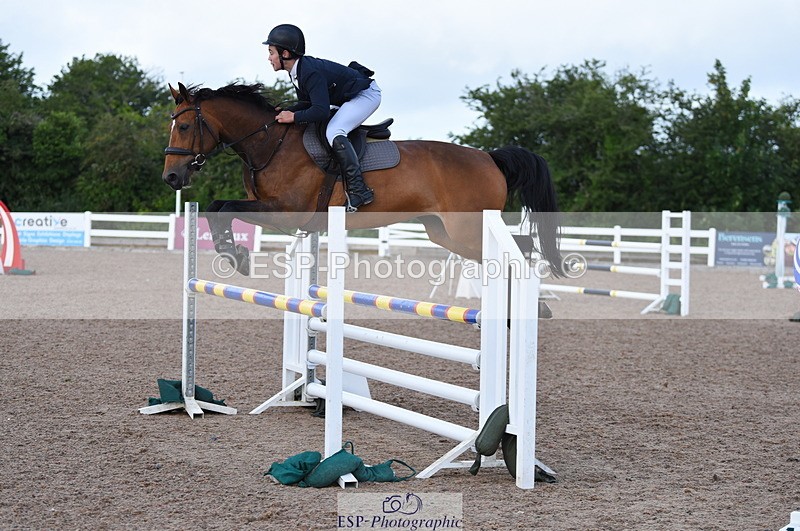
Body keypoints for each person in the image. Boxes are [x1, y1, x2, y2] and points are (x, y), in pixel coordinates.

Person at [264, 23, 379, 210]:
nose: (269, 58)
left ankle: (359, 190)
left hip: (366, 95)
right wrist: (286, 110)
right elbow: (308, 103)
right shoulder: (297, 71)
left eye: (271, 52)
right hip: (346, 97)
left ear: (285, 54)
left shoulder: (309, 72)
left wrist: (293, 117)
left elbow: (320, 110)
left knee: (334, 130)